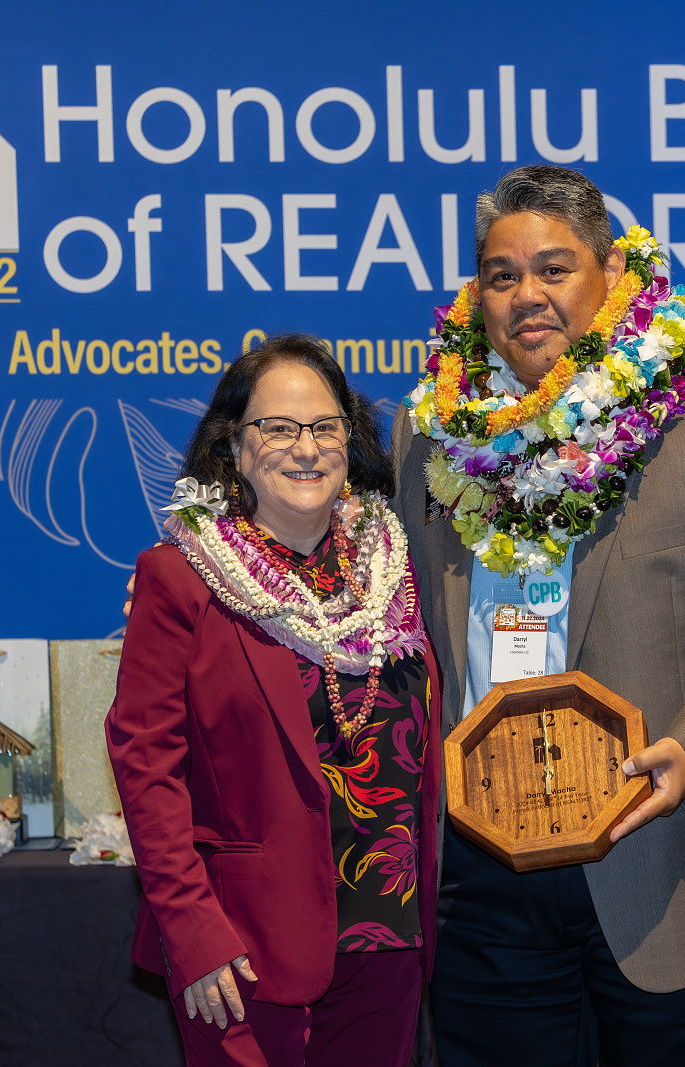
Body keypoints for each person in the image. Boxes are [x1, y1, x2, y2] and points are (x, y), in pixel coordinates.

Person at [396, 164, 685, 1065]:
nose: (527, 295)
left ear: (611, 272)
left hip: (667, 857)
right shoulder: (429, 436)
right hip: (481, 877)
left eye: (554, 269)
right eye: (501, 274)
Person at [107, 334, 441, 1067]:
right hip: (245, 947)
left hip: (388, 939)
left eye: (326, 427)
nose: (306, 447)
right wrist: (193, 932)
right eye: (279, 427)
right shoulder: (184, 578)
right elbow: (146, 766)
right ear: (234, 444)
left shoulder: (397, 570)